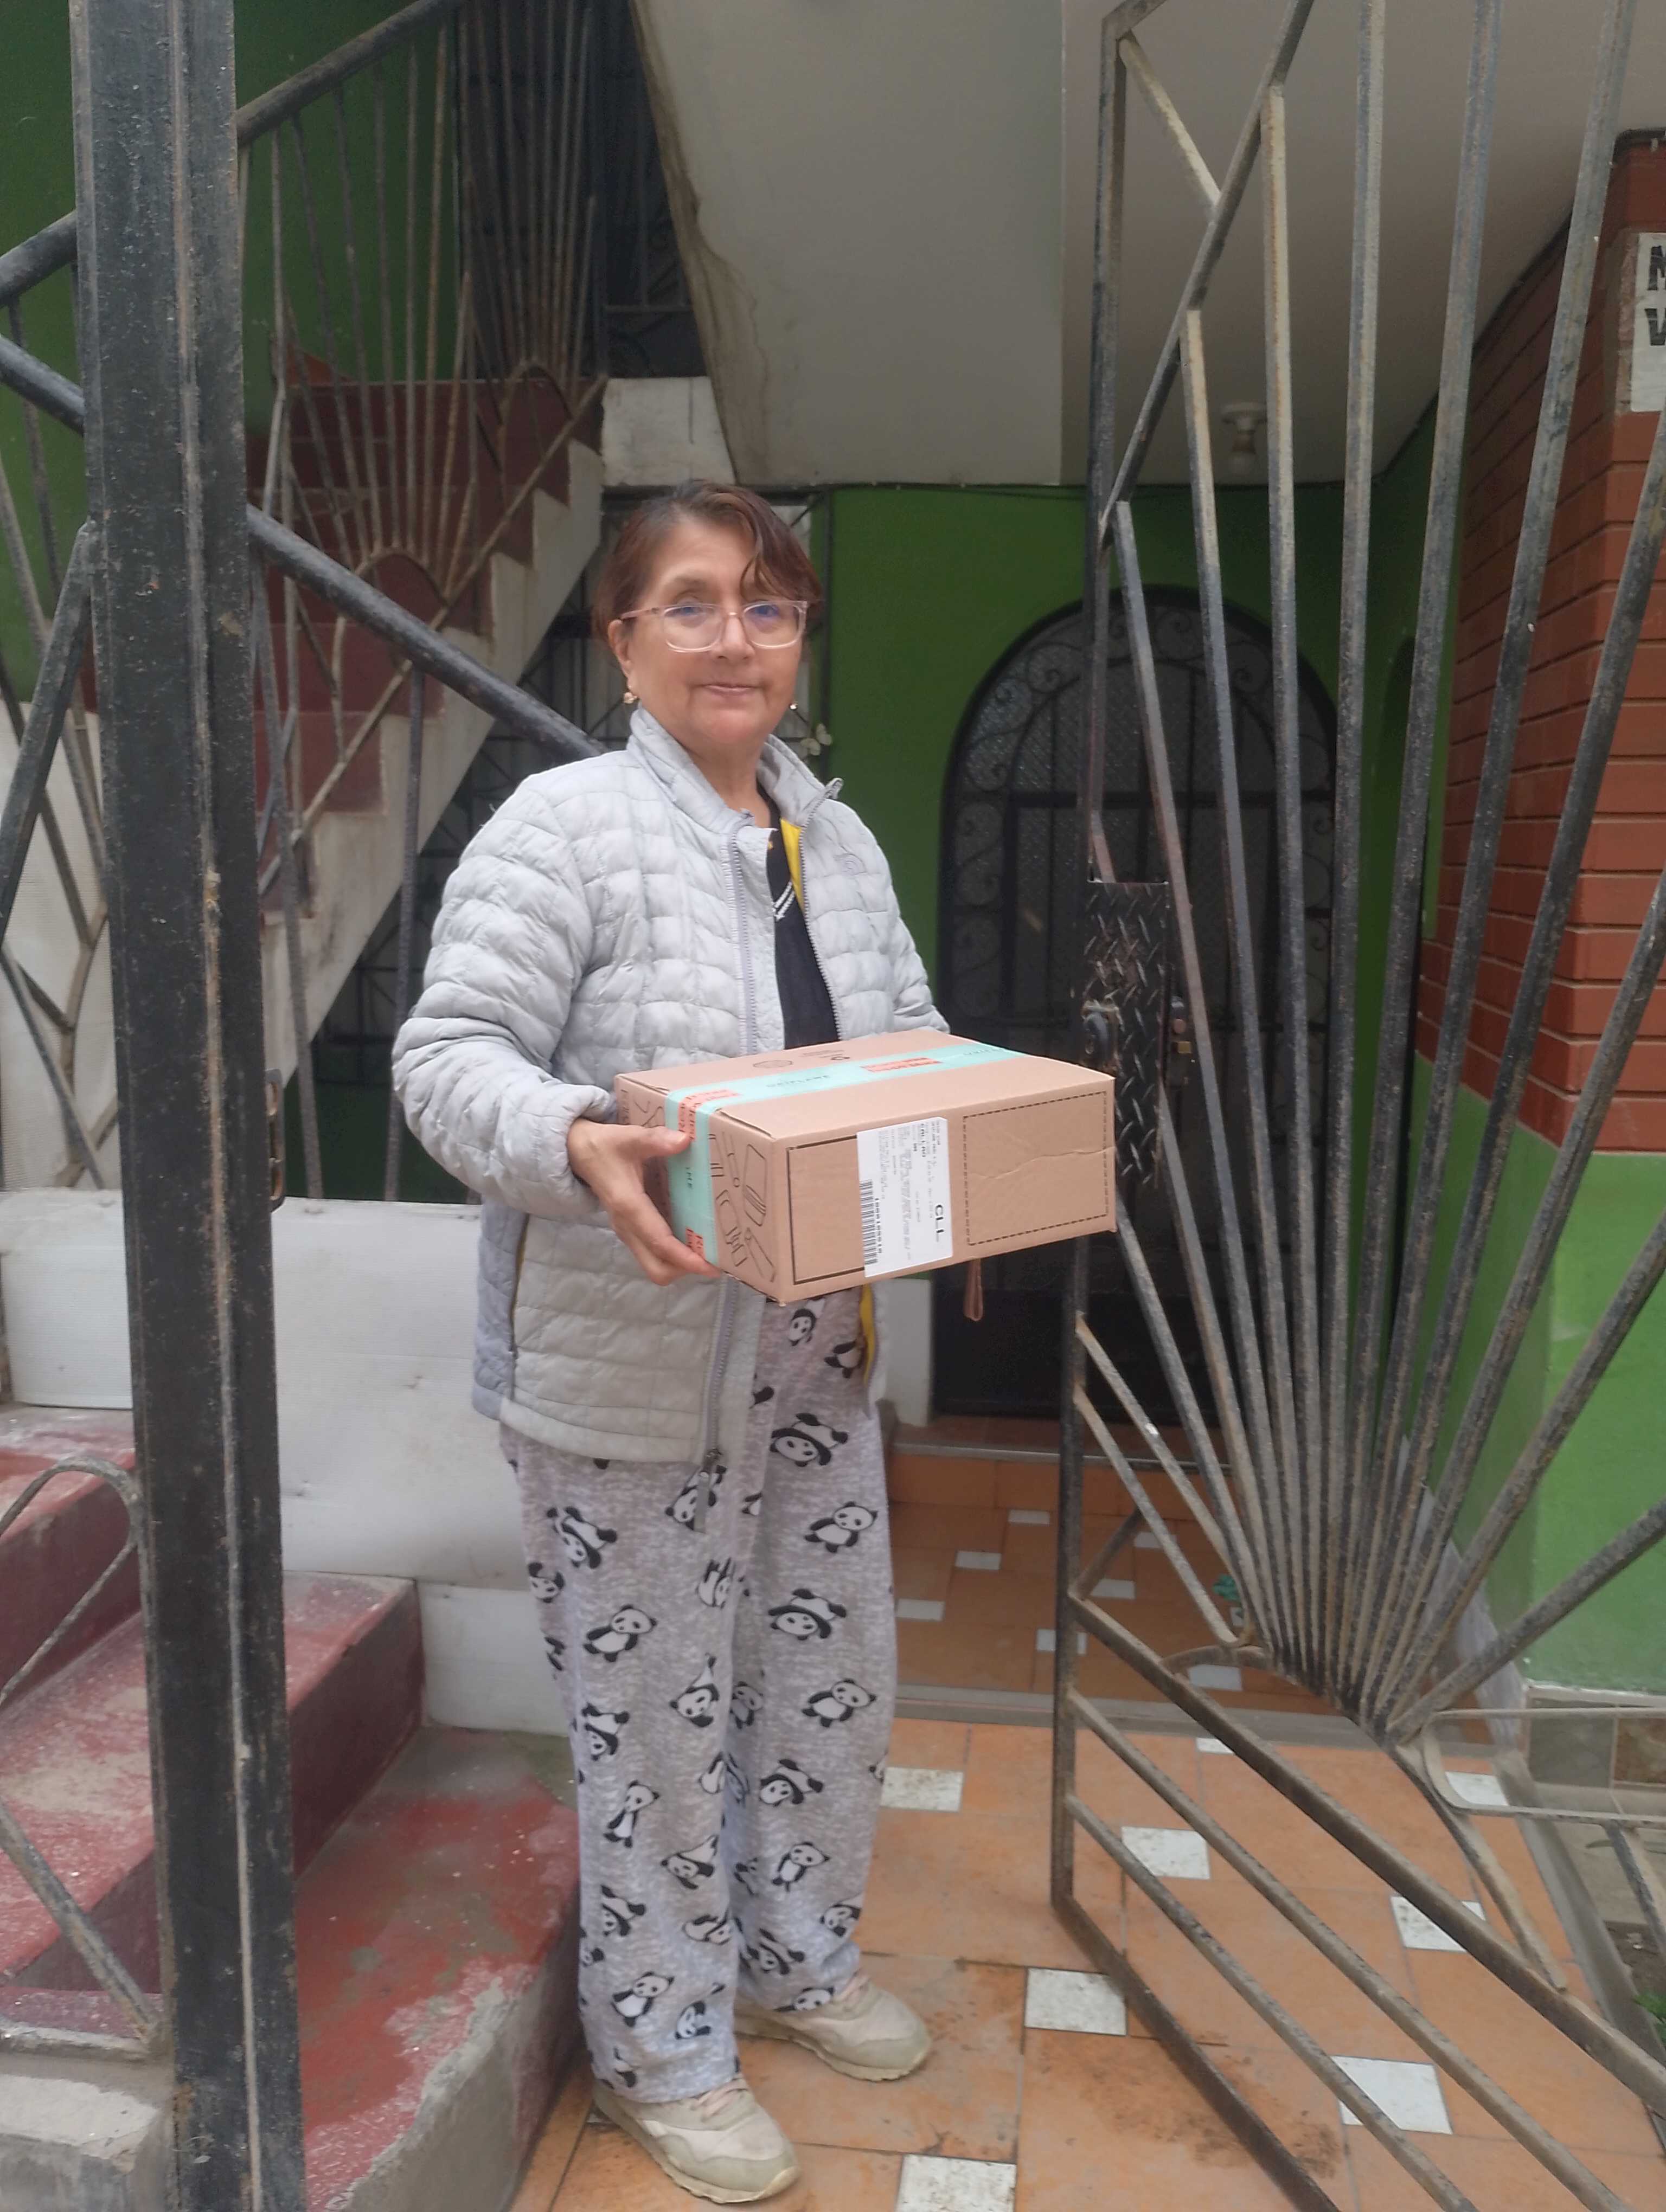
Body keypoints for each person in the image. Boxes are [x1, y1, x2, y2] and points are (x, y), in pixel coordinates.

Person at [393, 481, 945, 2204]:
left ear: (799, 640)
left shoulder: (835, 844)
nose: (735, 638)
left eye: (768, 606)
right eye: (692, 604)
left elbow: (910, 1041)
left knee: (829, 1677)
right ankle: (663, 2051)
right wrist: (573, 1138)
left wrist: (964, 1148)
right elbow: (445, 1058)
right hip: (630, 1366)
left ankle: (794, 1958)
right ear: (623, 642)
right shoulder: (562, 830)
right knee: (657, 1722)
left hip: (813, 1355)